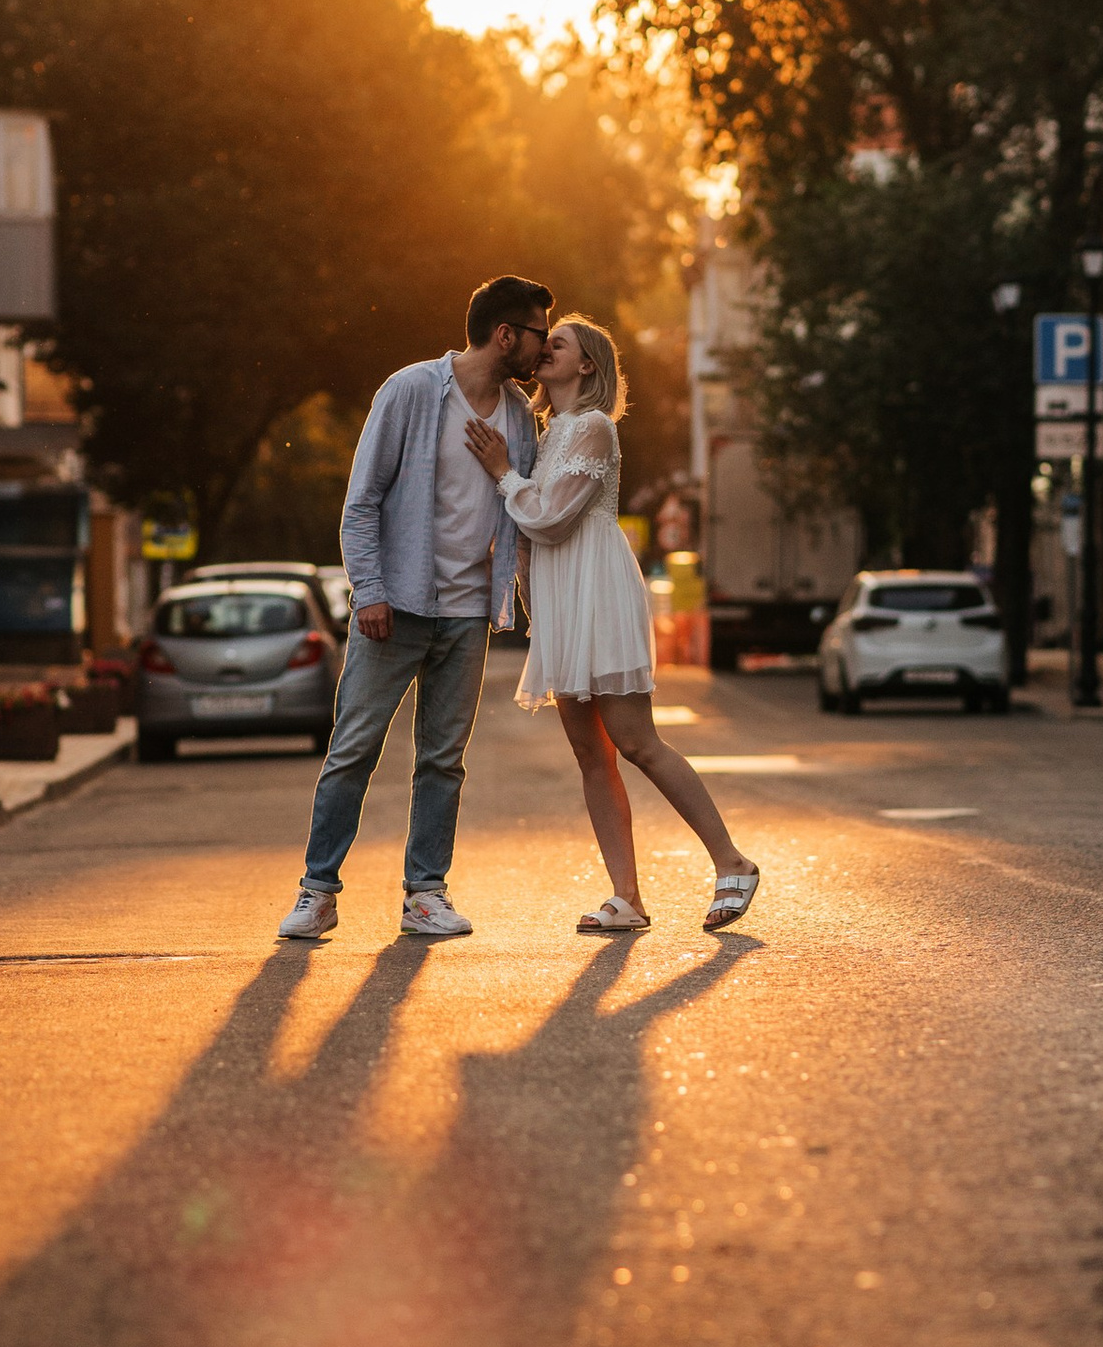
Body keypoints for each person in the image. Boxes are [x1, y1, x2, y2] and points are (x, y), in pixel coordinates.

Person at [275, 276, 552, 944]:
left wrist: (534, 608)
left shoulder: (520, 417)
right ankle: (317, 893)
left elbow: (522, 516)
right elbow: (361, 502)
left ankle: (425, 895)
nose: (544, 348)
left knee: (443, 761)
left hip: (466, 614)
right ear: (505, 335)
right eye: (538, 334)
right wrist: (368, 591)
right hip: (395, 607)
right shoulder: (410, 391)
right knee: (353, 750)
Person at [465, 312, 760, 935]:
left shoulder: (593, 427)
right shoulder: (549, 433)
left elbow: (550, 519)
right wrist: (535, 604)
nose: (545, 350)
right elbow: (529, 535)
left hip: (596, 591)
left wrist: (502, 472)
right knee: (589, 753)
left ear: (587, 364)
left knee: (636, 741)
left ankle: (732, 862)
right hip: (563, 599)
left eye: (559, 344)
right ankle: (627, 897)